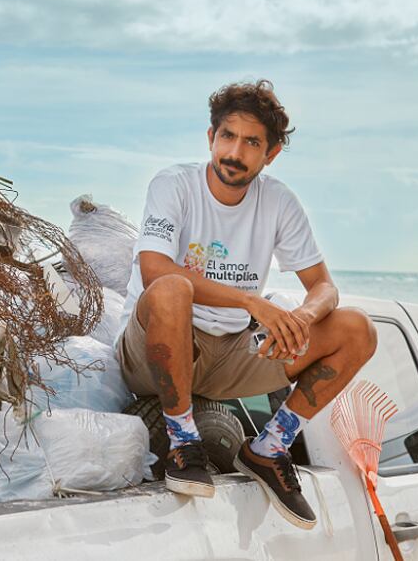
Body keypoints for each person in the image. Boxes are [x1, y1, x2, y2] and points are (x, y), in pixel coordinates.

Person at [115, 79, 377, 530]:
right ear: (210, 138)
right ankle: (183, 442)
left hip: (230, 354)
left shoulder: (279, 203)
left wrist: (299, 318)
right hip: (155, 352)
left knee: (357, 329)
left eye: (251, 142)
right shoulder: (174, 185)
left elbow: (324, 287)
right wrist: (252, 303)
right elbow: (154, 270)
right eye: (227, 137)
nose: (235, 152)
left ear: (270, 154)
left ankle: (270, 448)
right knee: (173, 288)